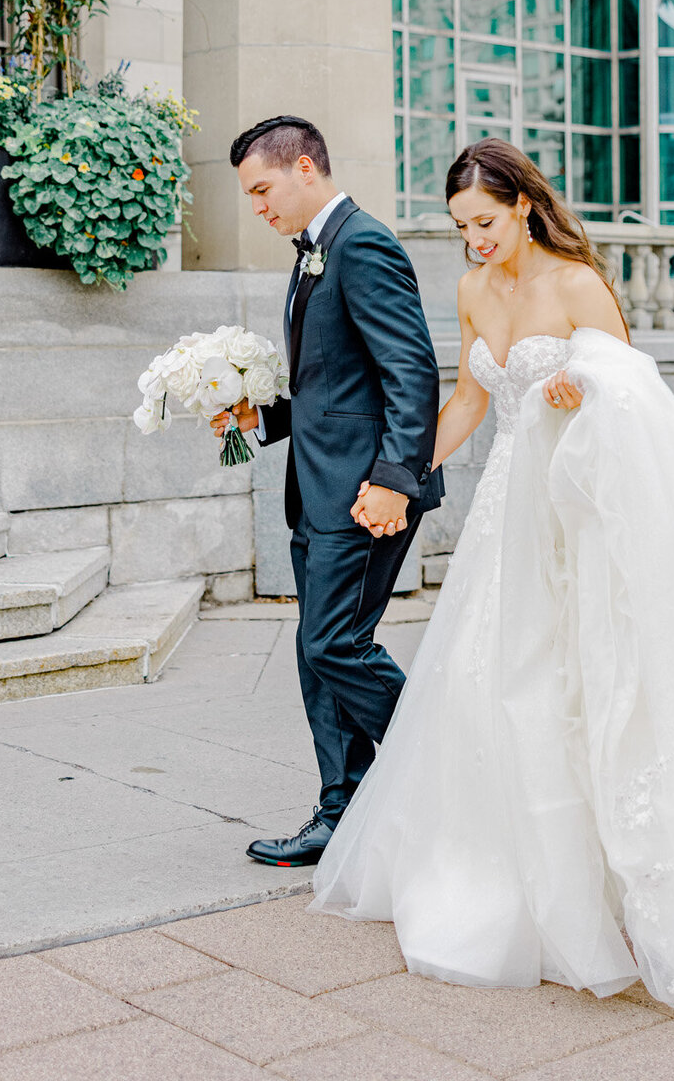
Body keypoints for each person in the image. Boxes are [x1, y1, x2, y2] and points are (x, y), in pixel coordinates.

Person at [311, 138, 674, 1017]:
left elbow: (634, 389)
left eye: (484, 221)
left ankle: (613, 880)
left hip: (581, 515)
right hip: (506, 516)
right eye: (459, 227)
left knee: (581, 682)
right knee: (496, 682)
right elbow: (472, 398)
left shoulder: (574, 282)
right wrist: (402, 483)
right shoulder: (473, 289)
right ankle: (506, 879)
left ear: (523, 204)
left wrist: (581, 387)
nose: (474, 239)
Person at [213, 116, 444, 867]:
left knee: (333, 643)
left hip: (364, 495)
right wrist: (260, 417)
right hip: (317, 490)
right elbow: (332, 387)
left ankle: (450, 765)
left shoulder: (363, 244)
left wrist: (393, 482)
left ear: (305, 166)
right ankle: (341, 811)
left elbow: (411, 373)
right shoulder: (312, 255)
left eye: (261, 189)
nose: (257, 207)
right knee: (318, 656)